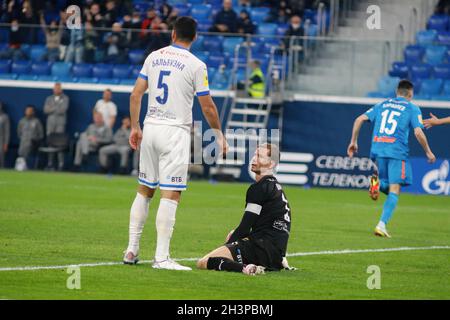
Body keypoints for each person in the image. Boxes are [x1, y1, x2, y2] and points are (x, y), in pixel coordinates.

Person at [123, 16, 228, 270]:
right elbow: (207, 105)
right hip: (175, 132)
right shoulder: (196, 64)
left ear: (172, 34)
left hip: (151, 127)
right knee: (171, 194)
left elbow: (136, 93)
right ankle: (161, 258)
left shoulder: (153, 56)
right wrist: (218, 133)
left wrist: (136, 127)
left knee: (144, 190)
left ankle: (131, 250)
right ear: (195, 37)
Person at [347, 80, 436, 238]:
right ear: (410, 93)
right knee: (395, 189)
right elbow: (418, 132)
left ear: (397, 91)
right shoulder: (412, 107)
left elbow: (358, 119)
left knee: (392, 187)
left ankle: (379, 184)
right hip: (397, 151)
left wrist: (353, 142)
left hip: (378, 150)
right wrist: (428, 151)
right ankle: (381, 225)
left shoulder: (382, 104)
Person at [197, 143, 295, 276]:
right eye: (254, 155)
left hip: (260, 248)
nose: (254, 159)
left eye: (260, 156)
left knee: (203, 262)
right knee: (234, 235)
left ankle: (245, 268)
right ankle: (262, 264)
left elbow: (244, 227)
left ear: (271, 164)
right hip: (276, 255)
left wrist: (228, 246)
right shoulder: (276, 187)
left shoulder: (259, 188)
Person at [43, 83, 69, 170]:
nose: (57, 90)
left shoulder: (65, 98)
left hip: (60, 124)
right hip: (50, 124)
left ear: (61, 89)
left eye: (58, 88)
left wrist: (52, 108)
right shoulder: (48, 99)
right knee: (50, 143)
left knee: (59, 144)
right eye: (55, 88)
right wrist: (56, 107)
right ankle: (50, 163)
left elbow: (63, 110)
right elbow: (46, 110)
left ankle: (60, 164)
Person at [0, 102, 10, 168]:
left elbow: (7, 131)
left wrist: (6, 144)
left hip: (1, 140)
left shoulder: (5, 117)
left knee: (1, 158)